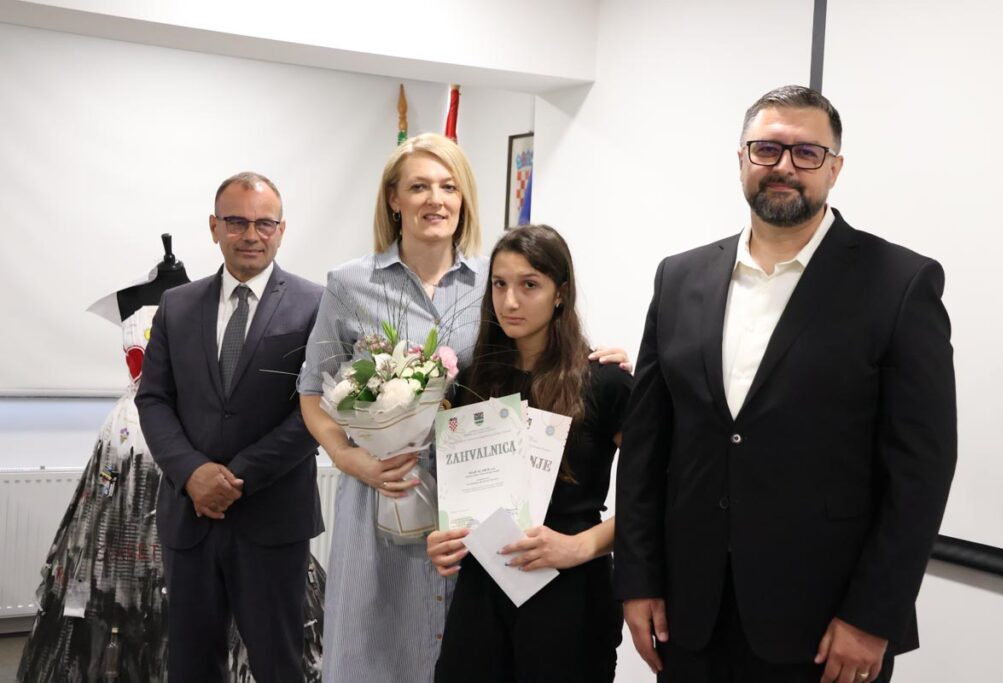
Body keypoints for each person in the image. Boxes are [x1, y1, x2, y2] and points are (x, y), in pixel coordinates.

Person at [615, 85, 957, 683]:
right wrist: (638, 578)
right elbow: (647, 446)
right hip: (691, 617)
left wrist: (873, 616)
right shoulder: (679, 277)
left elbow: (921, 472)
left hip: (826, 627)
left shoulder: (899, 284)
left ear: (835, 168)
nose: (784, 167)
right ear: (742, 159)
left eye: (806, 153)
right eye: (767, 149)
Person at [298, 133, 629, 682]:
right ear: (393, 199)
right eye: (419, 186)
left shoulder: (488, 280)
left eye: (448, 186)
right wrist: (355, 461)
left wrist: (606, 362)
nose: (435, 199)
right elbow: (313, 391)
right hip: (388, 501)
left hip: (487, 532)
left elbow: (553, 363)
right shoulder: (350, 284)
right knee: (373, 657)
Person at [136, 172, 325, 682]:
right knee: (191, 665)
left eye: (265, 223)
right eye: (237, 222)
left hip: (272, 517)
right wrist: (192, 473)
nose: (251, 235)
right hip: (190, 517)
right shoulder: (177, 305)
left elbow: (315, 412)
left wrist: (236, 477)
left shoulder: (316, 305)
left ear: (281, 230)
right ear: (214, 226)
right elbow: (153, 398)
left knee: (279, 664)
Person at [427, 224, 632, 682]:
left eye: (529, 285)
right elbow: (460, 495)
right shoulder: (472, 381)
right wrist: (444, 538)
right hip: (483, 591)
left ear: (561, 293)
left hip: (570, 592)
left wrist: (580, 546)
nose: (510, 301)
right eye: (499, 284)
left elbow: (658, 494)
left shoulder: (605, 381)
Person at [18, 239, 188, 683]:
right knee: (112, 536)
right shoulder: (130, 298)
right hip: (128, 436)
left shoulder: (205, 298)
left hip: (185, 433)